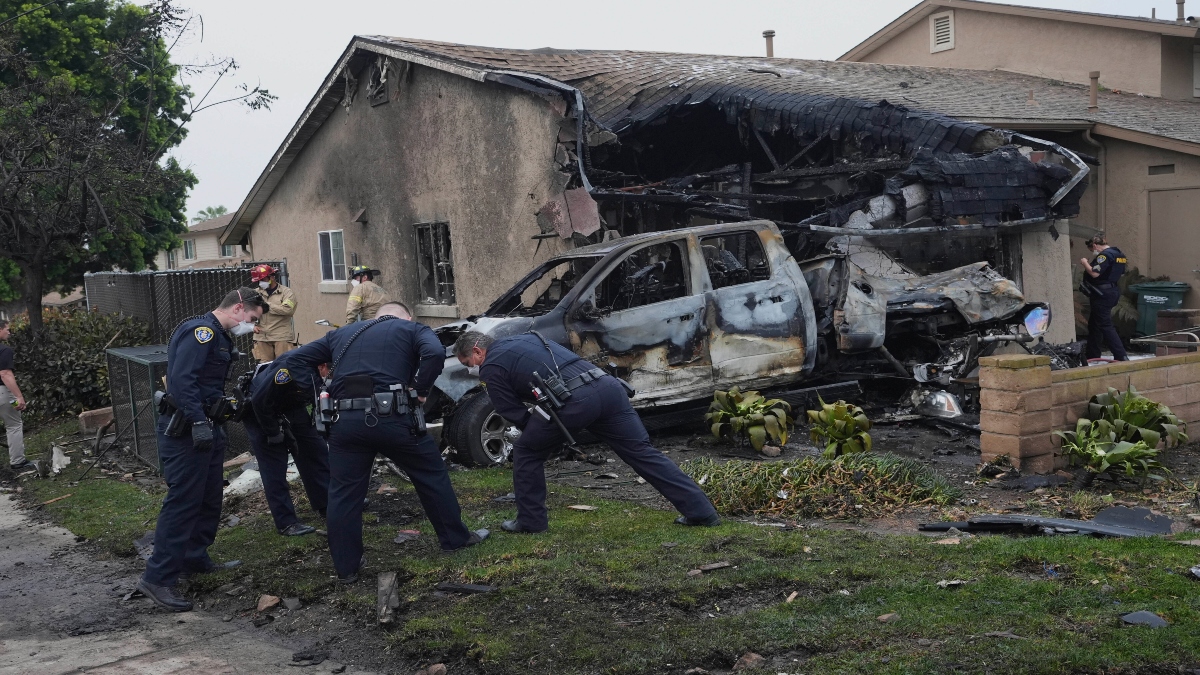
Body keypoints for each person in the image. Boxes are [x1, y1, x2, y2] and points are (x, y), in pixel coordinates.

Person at [286, 302, 486, 583]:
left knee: (343, 492)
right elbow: (434, 352)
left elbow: (295, 360)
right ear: (406, 317)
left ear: (376, 317)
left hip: (345, 422)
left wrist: (319, 394)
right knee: (431, 475)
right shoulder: (412, 329)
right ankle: (455, 539)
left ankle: (346, 568)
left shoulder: (341, 334)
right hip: (394, 418)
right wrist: (420, 390)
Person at [454, 331, 720, 534]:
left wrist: (537, 433)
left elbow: (509, 409)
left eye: (468, 362)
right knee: (642, 452)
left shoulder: (491, 365)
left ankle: (530, 521)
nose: (470, 369)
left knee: (526, 451)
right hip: (608, 387)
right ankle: (701, 512)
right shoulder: (528, 337)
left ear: (477, 351)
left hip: (573, 401)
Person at [136, 288, 267, 611]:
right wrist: (197, 421)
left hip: (208, 427)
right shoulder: (202, 332)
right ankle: (158, 578)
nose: (252, 326)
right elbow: (182, 381)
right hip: (186, 430)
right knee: (183, 502)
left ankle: (193, 558)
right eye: (252, 319)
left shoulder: (218, 336)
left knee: (209, 497)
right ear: (238, 308)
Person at [245, 355, 331, 536]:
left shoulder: (314, 371)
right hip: (261, 410)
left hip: (291, 406)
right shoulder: (289, 370)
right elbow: (259, 401)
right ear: (322, 365)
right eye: (328, 373)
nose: (329, 378)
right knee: (274, 466)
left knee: (316, 451)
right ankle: (286, 522)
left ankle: (328, 503)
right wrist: (273, 432)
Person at [1080, 234, 1129, 362]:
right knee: (1094, 324)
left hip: (1102, 294)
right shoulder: (1119, 254)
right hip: (1111, 291)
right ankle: (1092, 354)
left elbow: (1094, 273)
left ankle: (1121, 355)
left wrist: (1085, 263)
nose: (1093, 252)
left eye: (1092, 249)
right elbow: (1121, 273)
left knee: (1105, 325)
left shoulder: (1105, 255)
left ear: (1095, 245)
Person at [250, 265, 297, 362]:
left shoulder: (286, 293)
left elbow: (288, 310)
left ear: (271, 277)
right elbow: (245, 312)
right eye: (259, 281)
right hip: (261, 337)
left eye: (263, 280)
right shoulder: (254, 294)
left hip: (281, 337)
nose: (261, 283)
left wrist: (266, 305)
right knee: (265, 367)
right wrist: (251, 326)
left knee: (283, 366)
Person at [0, 320, 28, 471]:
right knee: (14, 424)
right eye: (7, 329)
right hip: (3, 394)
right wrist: (19, 397)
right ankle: (18, 461)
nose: (9, 332)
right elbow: (5, 374)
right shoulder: (4, 350)